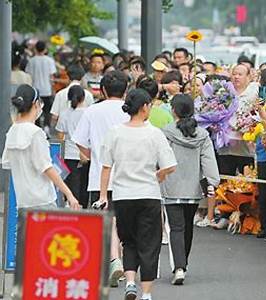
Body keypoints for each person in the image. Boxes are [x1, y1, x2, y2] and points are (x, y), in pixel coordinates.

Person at [98, 89, 177, 300]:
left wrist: (103, 195)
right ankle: (147, 293)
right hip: (148, 194)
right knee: (149, 244)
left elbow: (106, 167)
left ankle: (130, 282)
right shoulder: (154, 133)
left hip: (122, 195)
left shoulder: (114, 132)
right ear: (144, 107)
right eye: (150, 105)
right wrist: (159, 174)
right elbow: (170, 165)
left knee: (129, 242)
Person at [72, 70, 130, 287]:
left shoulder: (91, 111)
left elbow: (79, 140)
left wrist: (90, 155)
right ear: (126, 90)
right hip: (127, 176)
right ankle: (118, 261)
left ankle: (111, 262)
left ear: (103, 90)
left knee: (106, 220)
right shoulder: (130, 111)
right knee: (121, 221)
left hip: (99, 176)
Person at [161, 94, 219, 285]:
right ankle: (182, 263)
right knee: (187, 228)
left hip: (171, 186)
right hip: (193, 188)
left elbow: (158, 159)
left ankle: (179, 267)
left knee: (176, 227)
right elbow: (209, 161)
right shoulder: (202, 135)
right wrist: (212, 183)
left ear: (174, 110)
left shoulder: (166, 132)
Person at [2, 84, 80, 210]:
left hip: (23, 201)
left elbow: (7, 163)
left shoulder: (12, 131)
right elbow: (46, 167)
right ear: (36, 104)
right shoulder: (36, 133)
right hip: (43, 200)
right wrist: (69, 194)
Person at [55, 85, 90, 208]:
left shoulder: (64, 114)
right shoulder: (88, 113)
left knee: (72, 186)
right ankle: (84, 211)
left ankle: (73, 210)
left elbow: (60, 136)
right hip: (86, 154)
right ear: (83, 97)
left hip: (69, 154)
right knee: (84, 185)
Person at [25, 40, 56, 130]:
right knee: (47, 110)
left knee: (36, 110)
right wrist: (53, 89)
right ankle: (46, 127)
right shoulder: (50, 61)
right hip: (47, 90)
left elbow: (29, 76)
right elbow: (51, 77)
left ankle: (38, 127)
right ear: (45, 49)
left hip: (35, 90)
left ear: (35, 48)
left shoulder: (31, 61)